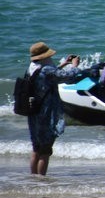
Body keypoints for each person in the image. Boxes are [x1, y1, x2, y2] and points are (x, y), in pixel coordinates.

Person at [23, 41, 88, 176]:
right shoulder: (47, 70)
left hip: (33, 111)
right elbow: (68, 77)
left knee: (36, 148)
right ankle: (41, 181)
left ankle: (34, 179)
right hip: (45, 113)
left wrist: (64, 64)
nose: (51, 57)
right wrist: (75, 66)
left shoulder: (32, 67)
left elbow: (51, 75)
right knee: (45, 150)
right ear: (44, 57)